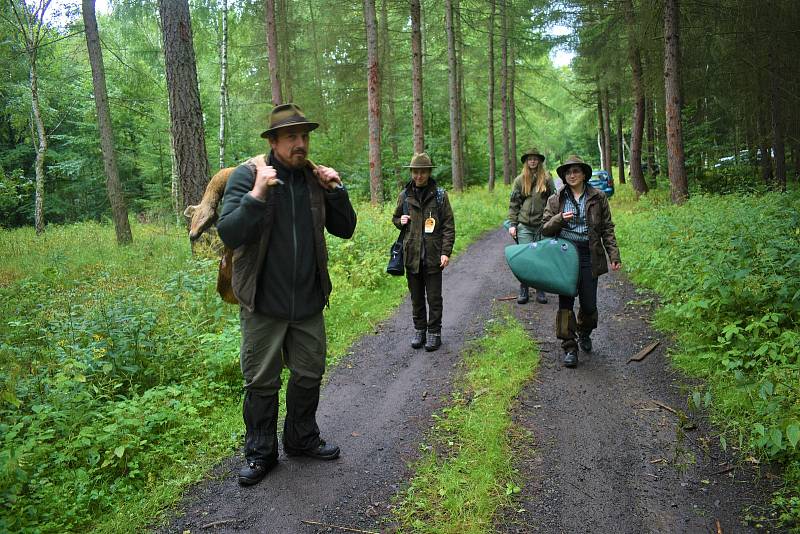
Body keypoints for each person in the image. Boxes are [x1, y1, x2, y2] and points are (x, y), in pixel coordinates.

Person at [216, 103, 357, 486]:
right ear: (274, 141)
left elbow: (345, 229)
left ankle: (301, 438)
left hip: (308, 301)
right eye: (292, 137)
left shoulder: (314, 179)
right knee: (261, 382)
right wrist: (258, 194)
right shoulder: (248, 177)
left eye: (305, 136)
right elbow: (229, 232)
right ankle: (261, 454)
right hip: (263, 302)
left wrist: (337, 191)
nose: (301, 144)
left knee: (309, 373)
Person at [541, 155, 621, 368]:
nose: (572, 175)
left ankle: (584, 332)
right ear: (564, 177)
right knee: (566, 302)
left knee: (589, 303)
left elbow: (607, 228)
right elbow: (545, 228)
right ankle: (569, 347)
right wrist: (560, 219)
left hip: (588, 254)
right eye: (568, 172)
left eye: (576, 171)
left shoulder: (598, 197)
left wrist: (614, 255)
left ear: (584, 174)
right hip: (565, 254)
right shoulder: (556, 199)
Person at [391, 153, 456, 352]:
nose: (419, 176)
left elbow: (448, 226)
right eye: (415, 172)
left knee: (434, 298)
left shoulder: (439, 195)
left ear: (429, 172)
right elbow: (396, 219)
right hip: (411, 255)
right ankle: (419, 330)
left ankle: (434, 332)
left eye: (423, 172)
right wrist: (399, 220)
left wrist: (446, 252)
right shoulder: (404, 196)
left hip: (433, 256)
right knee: (416, 297)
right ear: (411, 172)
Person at [507, 147, 556, 304]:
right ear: (526, 162)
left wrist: (553, 222)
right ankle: (524, 288)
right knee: (526, 258)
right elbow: (514, 204)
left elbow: (554, 201)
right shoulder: (520, 180)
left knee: (540, 257)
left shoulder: (547, 178)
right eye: (530, 158)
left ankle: (540, 289)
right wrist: (513, 224)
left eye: (535, 158)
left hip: (542, 225)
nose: (533, 161)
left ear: (540, 161)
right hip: (525, 226)